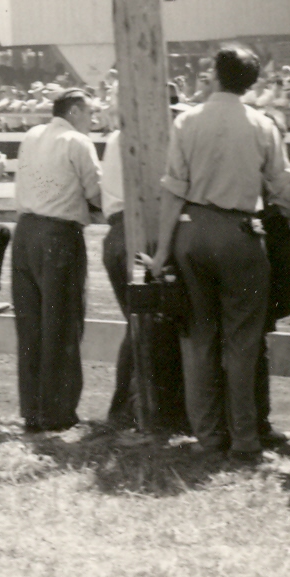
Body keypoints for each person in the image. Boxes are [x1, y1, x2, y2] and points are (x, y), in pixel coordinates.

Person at [147, 46, 290, 461]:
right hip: (240, 232)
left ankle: (208, 435)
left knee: (200, 337)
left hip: (192, 231)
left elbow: (173, 190)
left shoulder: (187, 120)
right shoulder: (262, 124)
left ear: (214, 74)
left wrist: (163, 250)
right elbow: (282, 187)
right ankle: (244, 438)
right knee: (242, 342)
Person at [12, 87, 101, 433]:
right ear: (76, 111)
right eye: (90, 112)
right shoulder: (77, 143)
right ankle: (58, 412)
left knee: (30, 326)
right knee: (61, 324)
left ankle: (33, 410)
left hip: (26, 233)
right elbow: (94, 191)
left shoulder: (32, 135)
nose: (93, 119)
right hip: (58, 235)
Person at [98, 101, 188, 434]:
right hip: (139, 233)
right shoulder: (149, 141)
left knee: (137, 324)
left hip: (117, 232)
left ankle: (127, 409)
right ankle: (144, 413)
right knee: (149, 325)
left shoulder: (117, 138)